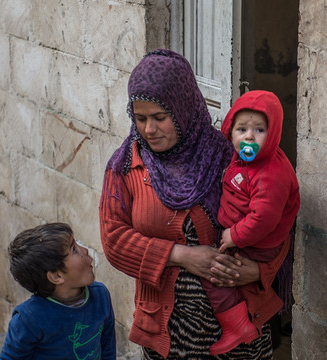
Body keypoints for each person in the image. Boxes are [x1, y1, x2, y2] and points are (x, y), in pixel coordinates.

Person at [99, 49, 291, 359]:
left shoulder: (229, 157)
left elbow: (276, 219)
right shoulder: (125, 167)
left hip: (242, 325)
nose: (149, 129)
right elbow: (114, 240)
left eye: (160, 117)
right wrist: (181, 256)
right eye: (140, 118)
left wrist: (258, 270)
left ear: (183, 108)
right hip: (169, 331)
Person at [202, 90, 300, 355]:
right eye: (241, 128)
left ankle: (241, 326)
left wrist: (234, 236)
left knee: (218, 277)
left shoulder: (271, 172)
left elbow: (263, 218)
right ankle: (248, 317)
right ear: (230, 129)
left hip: (256, 241)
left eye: (259, 130)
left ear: (274, 133)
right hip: (243, 234)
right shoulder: (243, 158)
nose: (248, 136)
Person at [0, 222, 116, 360]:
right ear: (57, 276)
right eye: (74, 249)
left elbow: (108, 346)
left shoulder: (100, 296)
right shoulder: (28, 319)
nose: (84, 250)